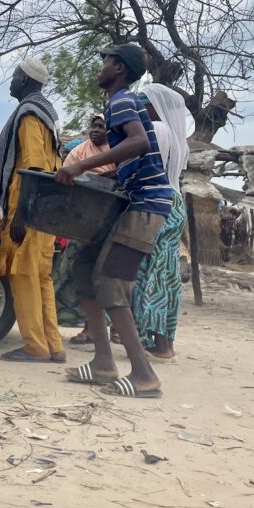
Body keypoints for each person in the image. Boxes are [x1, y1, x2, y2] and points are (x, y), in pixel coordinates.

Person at [56, 43, 172, 398]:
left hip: (146, 205)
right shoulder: (119, 102)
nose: (100, 66)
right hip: (132, 200)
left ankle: (144, 376)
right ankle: (104, 364)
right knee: (84, 268)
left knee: (111, 282)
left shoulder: (122, 100)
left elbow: (137, 144)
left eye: (105, 61)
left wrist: (80, 166)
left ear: (119, 68)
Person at [0, 59, 64, 363]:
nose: (11, 82)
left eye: (14, 77)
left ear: (24, 80)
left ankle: (35, 346)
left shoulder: (28, 114)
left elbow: (33, 166)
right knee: (42, 277)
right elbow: (19, 149)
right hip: (46, 208)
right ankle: (54, 346)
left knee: (23, 273)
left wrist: (21, 215)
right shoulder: (43, 113)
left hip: (28, 207)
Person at [130, 84, 190, 362]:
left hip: (161, 203)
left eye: (144, 102)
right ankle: (164, 342)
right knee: (165, 274)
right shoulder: (177, 137)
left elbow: (148, 168)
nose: (140, 108)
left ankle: (161, 346)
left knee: (153, 273)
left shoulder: (157, 129)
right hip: (176, 203)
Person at [55, 114, 117, 339]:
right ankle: (88, 326)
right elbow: (65, 180)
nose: (97, 130)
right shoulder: (78, 153)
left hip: (111, 221)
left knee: (106, 275)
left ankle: (108, 330)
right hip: (81, 221)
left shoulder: (118, 152)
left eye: (102, 127)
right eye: (94, 126)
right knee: (76, 272)